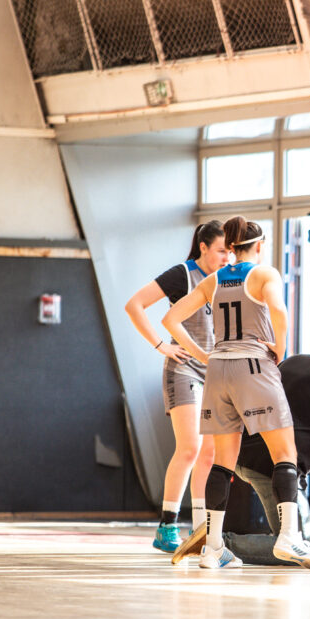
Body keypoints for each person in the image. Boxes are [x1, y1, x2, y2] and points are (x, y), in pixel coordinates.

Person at [163, 216, 310, 570]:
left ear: (232, 246)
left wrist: (204, 355)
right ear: (259, 245)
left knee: (222, 462)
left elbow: (170, 319)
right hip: (253, 365)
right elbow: (279, 311)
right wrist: (280, 347)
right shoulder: (265, 274)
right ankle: (289, 537)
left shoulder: (214, 279)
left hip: (218, 370)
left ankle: (213, 548)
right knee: (285, 453)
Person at [124, 221, 228, 552]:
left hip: (214, 372)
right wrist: (160, 345)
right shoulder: (183, 274)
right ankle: (166, 526)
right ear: (203, 247)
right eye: (221, 250)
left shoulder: (227, 278)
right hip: (184, 368)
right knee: (189, 448)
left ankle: (200, 530)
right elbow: (134, 304)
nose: (226, 257)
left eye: (230, 251)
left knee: (209, 454)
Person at [171, 354, 310, 566]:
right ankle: (219, 542)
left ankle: (213, 537)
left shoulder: (297, 361)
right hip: (272, 466)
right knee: (299, 550)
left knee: (298, 543)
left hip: (242, 449)